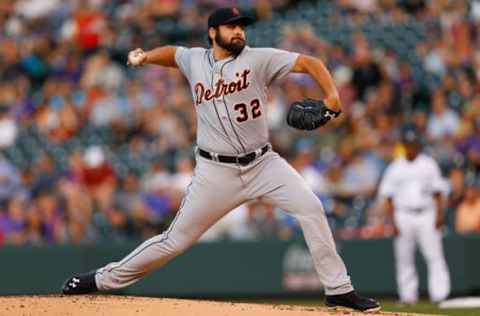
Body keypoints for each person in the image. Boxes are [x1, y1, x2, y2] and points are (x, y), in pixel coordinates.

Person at [61, 7, 379, 312]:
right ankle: (101, 279)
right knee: (174, 241)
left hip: (263, 164)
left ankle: (339, 290)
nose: (239, 31)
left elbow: (310, 62)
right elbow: (173, 53)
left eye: (241, 26)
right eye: (232, 26)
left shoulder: (259, 58)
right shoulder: (195, 60)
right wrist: (146, 57)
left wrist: (332, 97)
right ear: (213, 32)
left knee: (311, 207)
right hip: (216, 173)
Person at [378, 128, 450, 304]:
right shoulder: (395, 167)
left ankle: (440, 295)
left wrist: (440, 215)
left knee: (434, 255)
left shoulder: (428, 164)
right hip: (403, 215)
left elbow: (439, 193)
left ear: (418, 145)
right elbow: (387, 197)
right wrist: (392, 221)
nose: (411, 147)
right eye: (408, 144)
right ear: (404, 146)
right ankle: (408, 296)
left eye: (413, 144)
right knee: (404, 258)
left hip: (427, 214)